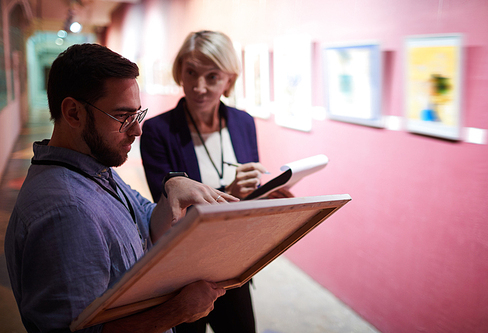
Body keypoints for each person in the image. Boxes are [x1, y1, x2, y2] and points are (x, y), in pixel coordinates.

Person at [4, 43, 239, 333]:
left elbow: (145, 224)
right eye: (123, 116)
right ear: (74, 113)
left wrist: (173, 187)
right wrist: (177, 311)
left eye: (137, 114)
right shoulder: (67, 211)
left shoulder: (93, 168)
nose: (137, 130)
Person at [140, 30, 292, 333]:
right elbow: (168, 215)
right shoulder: (158, 131)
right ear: (179, 71)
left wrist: (265, 197)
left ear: (229, 81)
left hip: (234, 262)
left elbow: (247, 198)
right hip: (182, 272)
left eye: (212, 77)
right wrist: (229, 193)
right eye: (191, 73)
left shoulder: (243, 122)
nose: (199, 87)